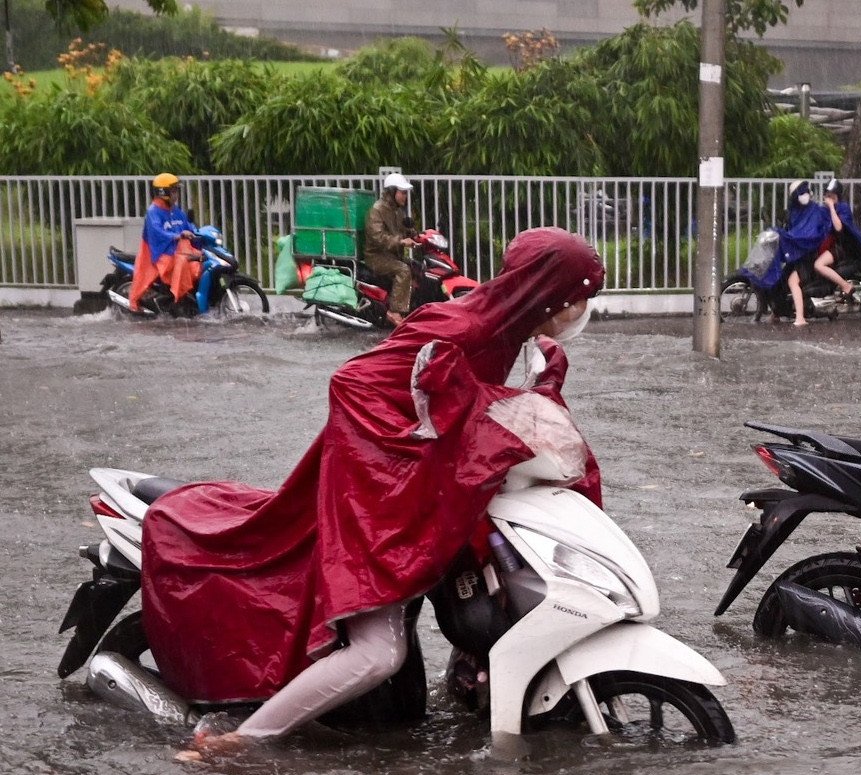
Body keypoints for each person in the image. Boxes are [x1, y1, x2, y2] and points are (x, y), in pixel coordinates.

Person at [140, 228, 606, 758]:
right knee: (378, 652)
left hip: (423, 494)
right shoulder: (462, 325)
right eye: (580, 298)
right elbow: (354, 382)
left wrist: (514, 412)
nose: (580, 312)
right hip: (375, 498)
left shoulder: (509, 334)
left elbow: (484, 408)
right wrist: (464, 416)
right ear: (550, 293)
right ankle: (238, 743)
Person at [128, 173, 202, 313]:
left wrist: (198, 232)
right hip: (161, 255)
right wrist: (177, 235)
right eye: (173, 191)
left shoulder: (175, 211)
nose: (176, 195)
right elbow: (158, 232)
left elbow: (188, 226)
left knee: (200, 259)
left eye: (177, 191)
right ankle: (177, 298)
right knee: (182, 261)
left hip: (177, 251)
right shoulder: (153, 212)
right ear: (164, 192)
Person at [771, 180, 831, 326]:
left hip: (808, 256)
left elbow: (809, 235)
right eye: (800, 193)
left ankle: (800, 318)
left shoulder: (815, 211)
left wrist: (789, 237)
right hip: (797, 255)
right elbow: (792, 230)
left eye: (805, 191)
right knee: (779, 280)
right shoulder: (794, 212)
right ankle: (776, 313)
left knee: (792, 281)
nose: (804, 195)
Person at [365, 172, 418, 326]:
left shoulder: (397, 211)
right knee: (403, 270)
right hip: (376, 257)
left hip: (391, 255)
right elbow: (378, 237)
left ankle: (411, 308)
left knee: (418, 268)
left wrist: (414, 234)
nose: (405, 196)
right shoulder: (377, 210)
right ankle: (395, 311)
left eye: (405, 193)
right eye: (402, 193)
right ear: (392, 191)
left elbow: (401, 230)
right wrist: (401, 241)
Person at [809, 179, 861, 302]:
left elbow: (838, 227)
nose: (828, 198)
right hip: (831, 245)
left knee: (819, 265)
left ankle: (846, 286)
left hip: (844, 247)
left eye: (831, 195)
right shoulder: (823, 210)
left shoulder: (843, 208)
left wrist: (832, 207)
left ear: (837, 196)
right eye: (827, 195)